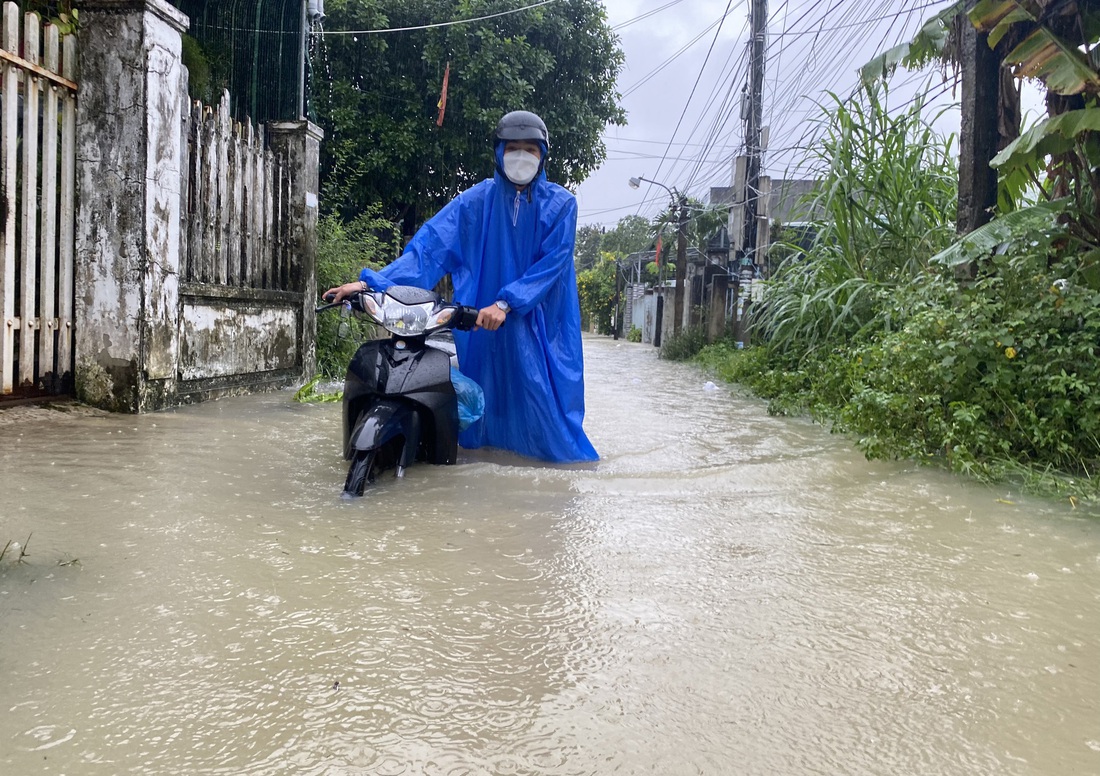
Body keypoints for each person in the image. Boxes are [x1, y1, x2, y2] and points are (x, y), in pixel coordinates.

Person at [324, 110, 598, 464]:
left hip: (542, 329)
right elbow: (429, 249)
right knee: (482, 420)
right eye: (512, 147)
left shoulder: (562, 205)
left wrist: (507, 302)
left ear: (543, 155)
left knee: (545, 421)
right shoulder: (475, 203)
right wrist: (370, 282)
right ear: (498, 153)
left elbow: (550, 266)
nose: (520, 156)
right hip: (484, 326)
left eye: (530, 149)